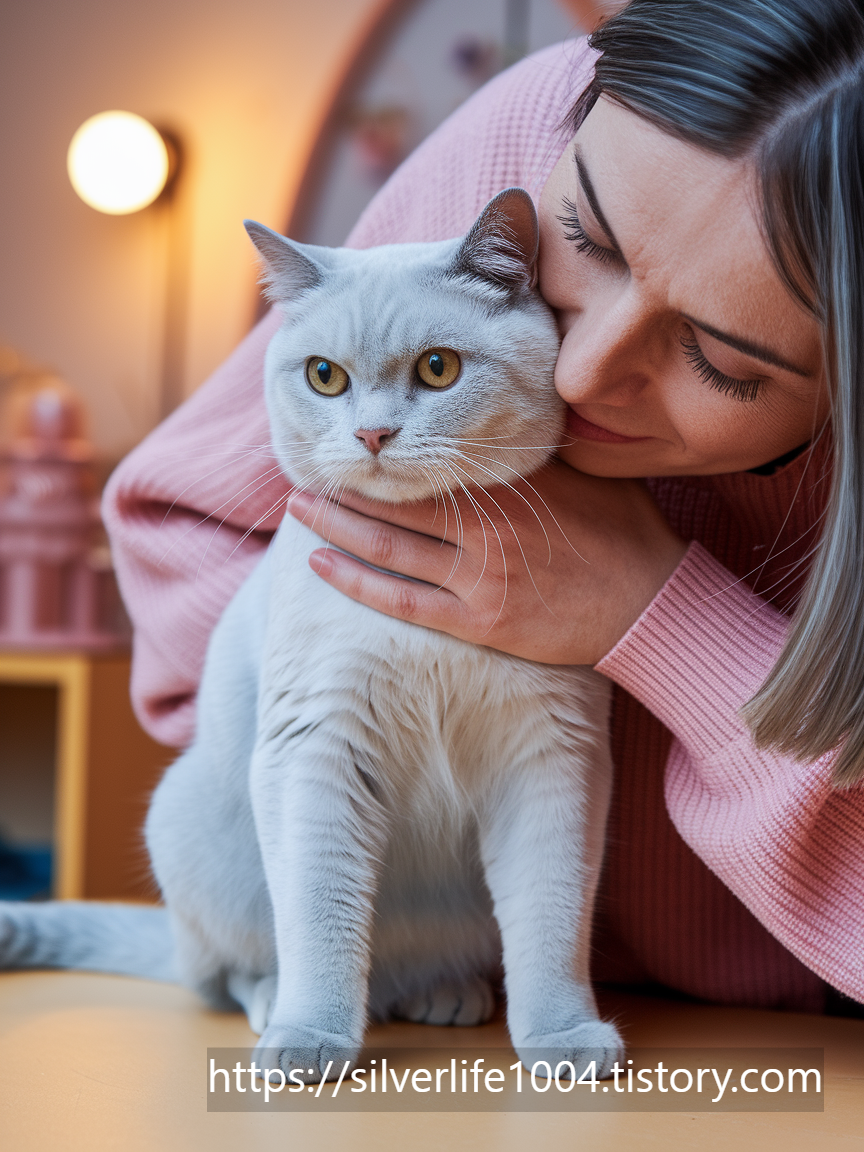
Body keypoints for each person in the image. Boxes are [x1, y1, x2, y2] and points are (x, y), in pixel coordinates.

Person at [103, 0, 864, 1014]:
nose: (585, 373)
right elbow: (177, 519)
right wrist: (349, 706)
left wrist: (661, 619)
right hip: (421, 988)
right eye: (586, 242)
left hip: (769, 1038)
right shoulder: (530, 140)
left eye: (719, 361)